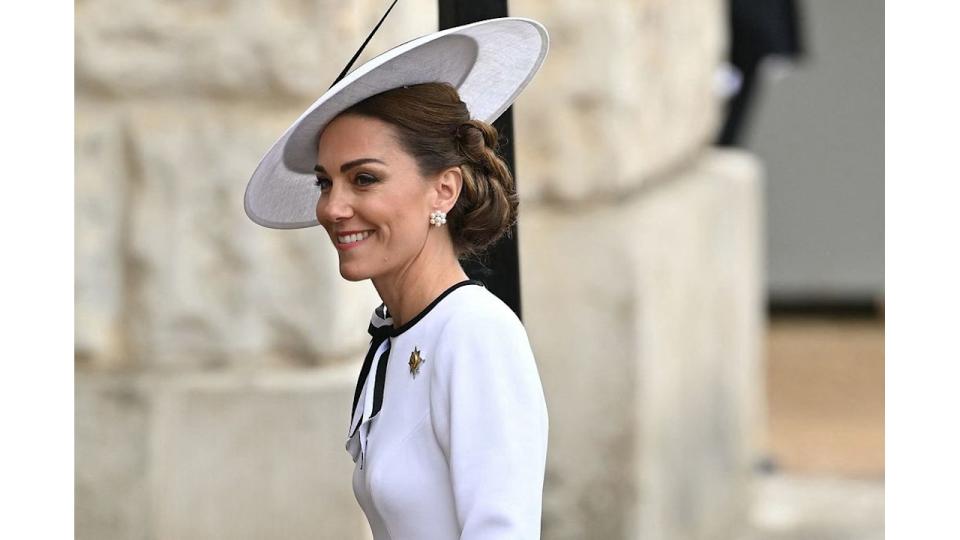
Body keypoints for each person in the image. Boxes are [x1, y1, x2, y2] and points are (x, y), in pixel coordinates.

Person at [244, 18, 550, 539]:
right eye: (326, 182)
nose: (333, 207)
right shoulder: (396, 335)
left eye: (364, 179)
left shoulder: (475, 333)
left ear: (444, 191)